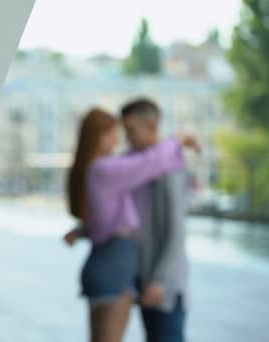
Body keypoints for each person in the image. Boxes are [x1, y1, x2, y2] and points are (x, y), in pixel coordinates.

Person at [64, 108, 198, 342]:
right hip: (117, 270)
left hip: (114, 270)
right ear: (102, 136)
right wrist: (180, 139)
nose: (122, 140)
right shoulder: (109, 169)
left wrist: (81, 231)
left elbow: (104, 223)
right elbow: (151, 161)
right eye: (118, 132)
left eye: (128, 132)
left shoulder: (100, 169)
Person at [121, 98, 189, 342]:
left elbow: (177, 231)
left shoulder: (169, 168)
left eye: (131, 131)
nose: (127, 138)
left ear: (151, 127)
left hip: (164, 286)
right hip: (142, 277)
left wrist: (160, 281)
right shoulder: (135, 165)